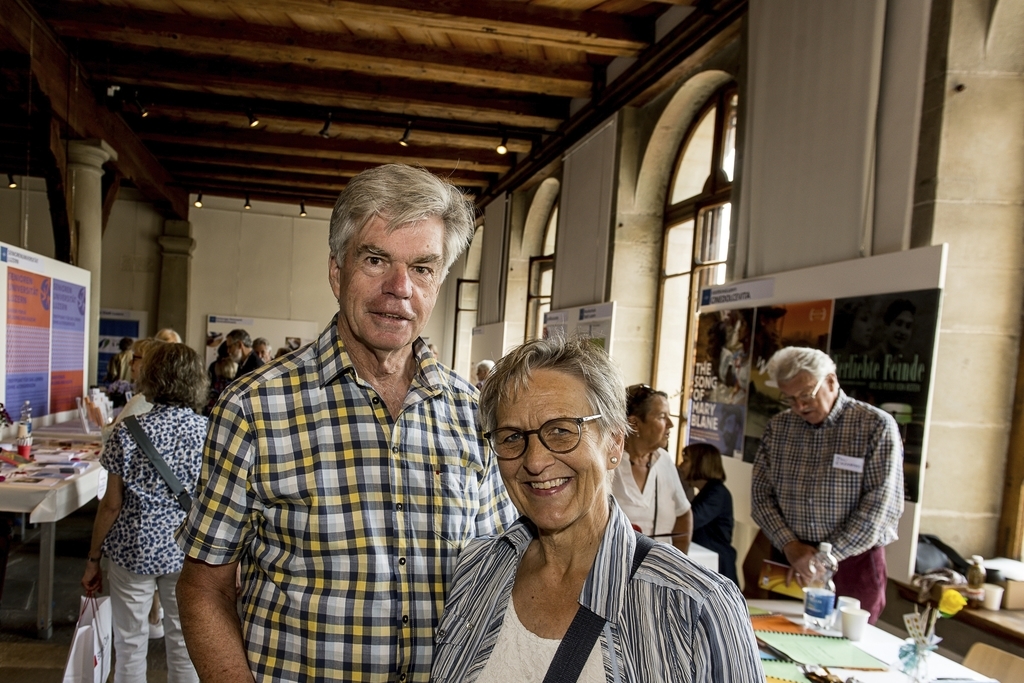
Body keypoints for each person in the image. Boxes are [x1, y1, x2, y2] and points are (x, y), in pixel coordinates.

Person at [175, 164, 516, 682]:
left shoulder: (473, 414)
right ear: (337, 271)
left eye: (423, 268)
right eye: (377, 260)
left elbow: (496, 577)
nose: (400, 288)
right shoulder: (253, 409)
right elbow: (204, 588)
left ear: (439, 282)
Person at [431, 337, 763, 682]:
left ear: (614, 443)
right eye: (512, 437)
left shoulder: (696, 606)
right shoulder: (478, 570)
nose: (534, 461)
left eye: (561, 431)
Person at [81, 343, 209, 683]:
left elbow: (111, 505)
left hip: (131, 550)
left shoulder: (128, 430)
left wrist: (94, 558)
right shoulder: (208, 433)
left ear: (150, 376)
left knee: (129, 642)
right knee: (184, 642)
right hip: (186, 553)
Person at [751, 346, 904, 623]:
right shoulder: (779, 428)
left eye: (806, 395)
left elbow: (879, 508)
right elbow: (761, 497)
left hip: (851, 562)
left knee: (846, 654)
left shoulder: (875, 426)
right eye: (790, 399)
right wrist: (790, 546)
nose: (799, 406)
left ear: (831, 381)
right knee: (781, 645)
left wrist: (823, 560)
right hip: (790, 558)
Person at [610, 384, 692, 553]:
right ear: (635, 423)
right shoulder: (607, 462)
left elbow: (684, 513)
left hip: (660, 572)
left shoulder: (664, 461)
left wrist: (680, 562)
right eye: (662, 417)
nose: (670, 424)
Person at [680, 443, 739, 586]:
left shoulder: (716, 492)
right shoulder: (709, 492)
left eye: (686, 460)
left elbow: (691, 520)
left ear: (700, 463)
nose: (681, 466)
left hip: (718, 566)